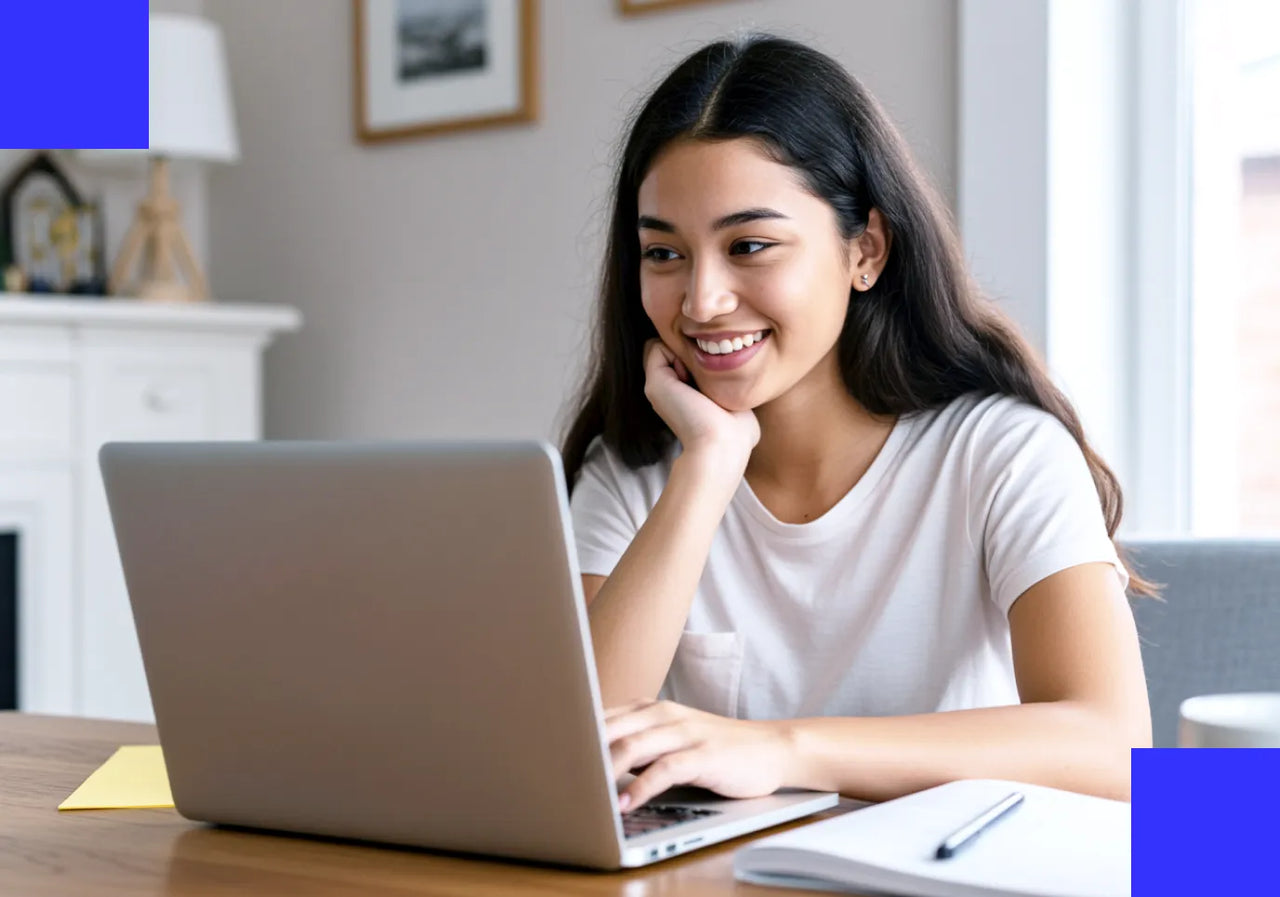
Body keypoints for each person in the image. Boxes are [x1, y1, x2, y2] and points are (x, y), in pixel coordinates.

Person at [559, 34, 1152, 813]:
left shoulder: (1001, 450)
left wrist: (782, 748)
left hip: (951, 860)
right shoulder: (634, 468)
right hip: (732, 870)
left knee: (1238, 831)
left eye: (750, 245)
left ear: (866, 250)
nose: (701, 301)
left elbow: (1116, 746)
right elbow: (572, 757)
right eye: (664, 254)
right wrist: (706, 468)